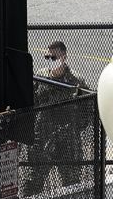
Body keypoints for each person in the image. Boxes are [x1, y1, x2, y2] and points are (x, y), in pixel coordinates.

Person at [30, 41, 90, 190]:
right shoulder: (40, 77)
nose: (51, 62)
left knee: (71, 184)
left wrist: (75, 127)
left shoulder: (76, 81)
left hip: (68, 141)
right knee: (33, 183)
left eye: (54, 58)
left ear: (64, 57)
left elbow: (88, 108)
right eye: (48, 58)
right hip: (43, 138)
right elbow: (31, 103)